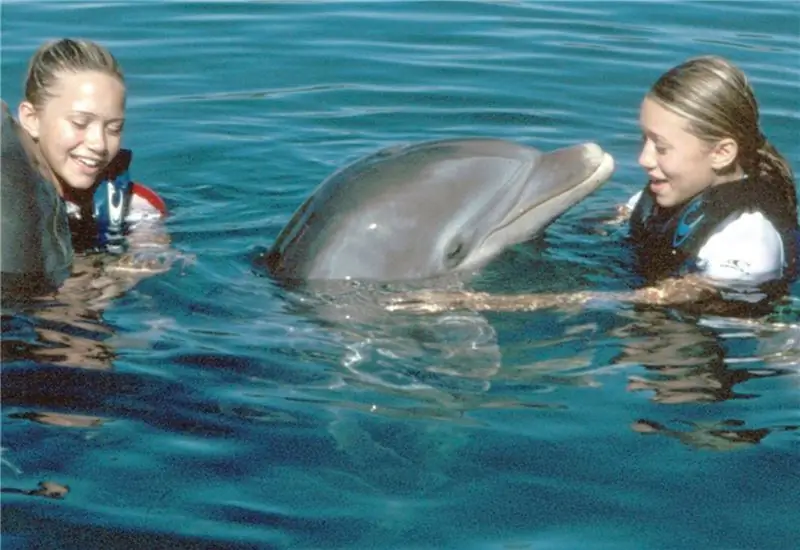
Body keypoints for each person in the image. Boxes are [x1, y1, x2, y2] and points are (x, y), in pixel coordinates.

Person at [386, 56, 799, 315]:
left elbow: (650, 301)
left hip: (727, 357)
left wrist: (487, 303)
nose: (643, 159)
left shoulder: (744, 242)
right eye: (644, 140)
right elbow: (619, 218)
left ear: (722, 153)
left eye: (662, 147)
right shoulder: (667, 195)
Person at [1, 38, 169, 298]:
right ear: (32, 120)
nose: (99, 144)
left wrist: (107, 280)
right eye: (80, 123)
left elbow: (152, 261)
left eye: (114, 128)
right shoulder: (13, 192)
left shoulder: (137, 206)